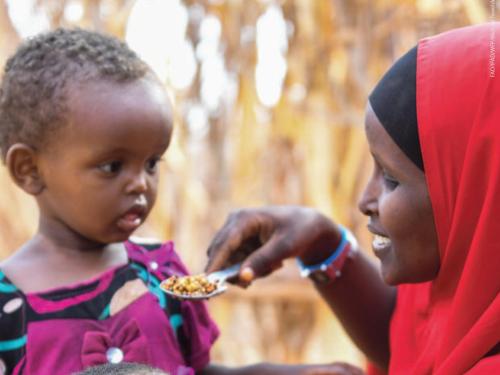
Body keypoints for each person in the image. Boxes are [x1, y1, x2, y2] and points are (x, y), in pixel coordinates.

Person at [0, 28, 363, 375]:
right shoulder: (6, 308)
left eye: (152, 163)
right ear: (29, 169)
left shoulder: (162, 273)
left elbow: (197, 371)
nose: (140, 183)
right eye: (113, 166)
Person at [205, 23, 500, 375]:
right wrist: (321, 242)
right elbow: (408, 338)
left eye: (391, 178)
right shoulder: (470, 294)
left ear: (479, 194)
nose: (365, 199)